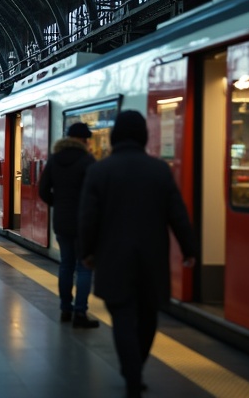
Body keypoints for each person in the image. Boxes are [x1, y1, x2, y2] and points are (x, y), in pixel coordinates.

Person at [79, 111, 197, 397]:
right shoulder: (159, 170)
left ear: (116, 135)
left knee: (121, 316)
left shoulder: (99, 170)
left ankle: (131, 373)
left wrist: (87, 252)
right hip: (151, 259)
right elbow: (177, 214)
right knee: (148, 316)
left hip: (113, 257)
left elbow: (88, 218)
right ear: (144, 135)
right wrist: (189, 249)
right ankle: (136, 367)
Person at [38, 122, 100, 329]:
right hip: (84, 221)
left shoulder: (55, 160)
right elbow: (95, 193)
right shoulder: (87, 161)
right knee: (84, 268)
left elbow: (43, 190)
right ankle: (80, 313)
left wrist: (58, 203)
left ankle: (65, 308)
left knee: (66, 265)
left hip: (62, 220)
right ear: (82, 140)